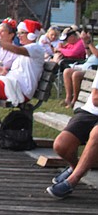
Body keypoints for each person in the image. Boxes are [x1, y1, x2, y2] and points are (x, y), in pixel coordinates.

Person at [46, 65, 98, 199]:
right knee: (61, 145)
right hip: (90, 112)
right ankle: (76, 167)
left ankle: (72, 181)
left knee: (96, 133)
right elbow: (95, 99)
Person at [62, 30, 98, 108]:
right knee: (67, 71)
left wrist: (89, 42)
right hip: (86, 65)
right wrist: (86, 43)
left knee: (76, 74)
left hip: (92, 69)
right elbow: (89, 55)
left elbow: (97, 54)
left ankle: (75, 100)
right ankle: (68, 98)